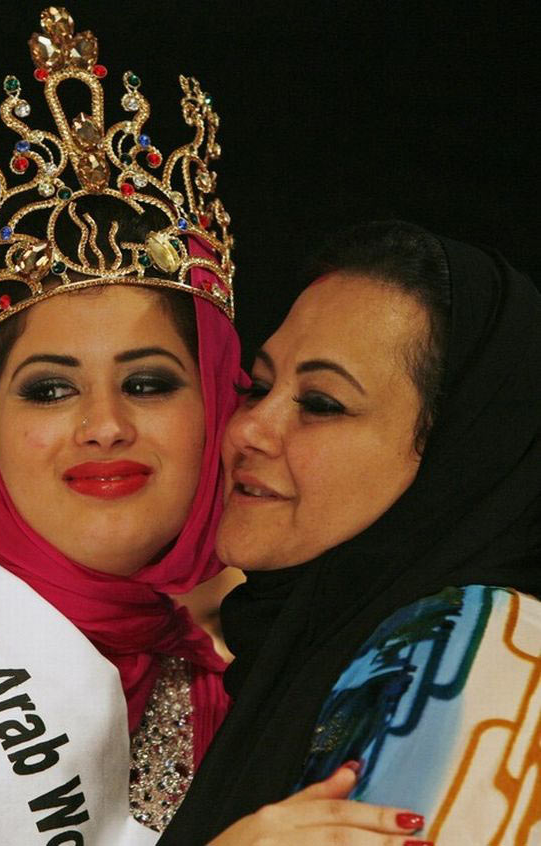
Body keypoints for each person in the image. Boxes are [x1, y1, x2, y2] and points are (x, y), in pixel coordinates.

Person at [0, 8, 241, 844]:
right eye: (51, 390)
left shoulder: (238, 697)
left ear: (215, 405)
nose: (104, 425)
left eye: (148, 383)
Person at [160, 220, 541, 845]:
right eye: (258, 388)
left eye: (321, 404)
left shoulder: (473, 650)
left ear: (456, 454)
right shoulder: (289, 654)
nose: (248, 430)